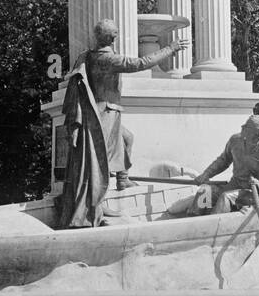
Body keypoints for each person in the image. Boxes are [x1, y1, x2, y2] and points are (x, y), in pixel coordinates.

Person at [72, 19, 187, 193]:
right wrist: (170, 49)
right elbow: (140, 63)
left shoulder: (89, 55)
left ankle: (122, 179)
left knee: (127, 139)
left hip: (100, 109)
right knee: (99, 156)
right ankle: (97, 196)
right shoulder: (108, 58)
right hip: (105, 112)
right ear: (112, 38)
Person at [172, 115, 259, 216]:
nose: (242, 127)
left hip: (253, 194)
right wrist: (206, 174)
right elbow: (223, 161)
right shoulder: (235, 141)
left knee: (225, 198)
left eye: (246, 127)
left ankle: (211, 227)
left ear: (256, 135)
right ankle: (193, 221)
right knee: (205, 191)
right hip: (234, 185)